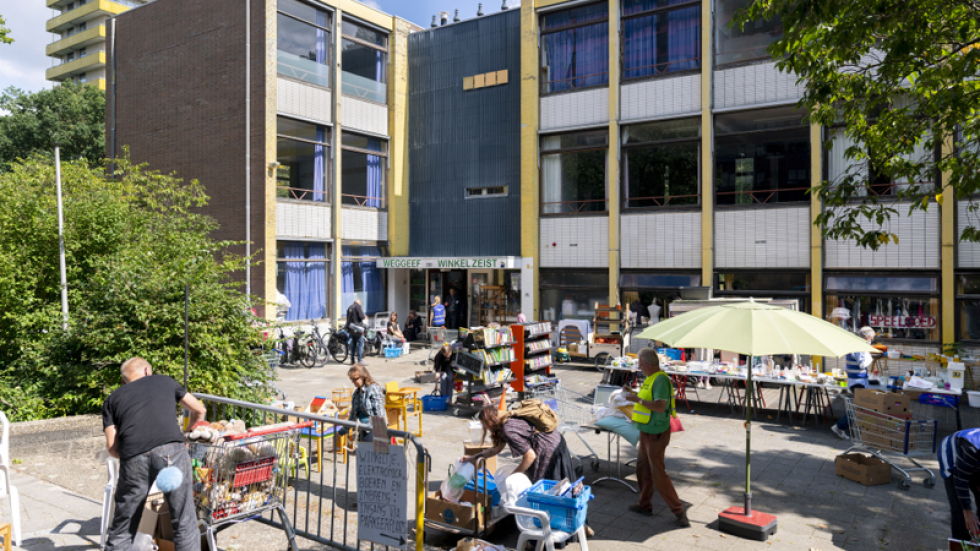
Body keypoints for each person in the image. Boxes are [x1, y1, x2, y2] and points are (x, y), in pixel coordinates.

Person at [102, 357, 207, 551]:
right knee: (183, 518)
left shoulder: (112, 400)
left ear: (124, 381)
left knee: (123, 524)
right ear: (148, 371)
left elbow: (113, 448)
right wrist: (187, 435)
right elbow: (199, 409)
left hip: (133, 458)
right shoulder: (164, 381)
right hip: (171, 454)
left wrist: (134, 456)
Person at [620, 348, 689, 527]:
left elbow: (659, 406)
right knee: (642, 470)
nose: (639, 367)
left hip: (656, 433)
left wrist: (637, 400)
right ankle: (644, 505)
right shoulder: (651, 378)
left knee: (658, 473)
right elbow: (645, 398)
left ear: (649, 365)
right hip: (646, 431)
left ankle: (679, 512)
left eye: (641, 364)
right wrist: (633, 393)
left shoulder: (660, 380)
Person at [831, 326, 877, 439]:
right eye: (872, 337)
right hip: (858, 382)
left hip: (855, 380)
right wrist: (871, 358)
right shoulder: (859, 347)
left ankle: (853, 428)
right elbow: (862, 364)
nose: (872, 340)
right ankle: (839, 427)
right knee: (860, 407)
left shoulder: (854, 345)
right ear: (868, 337)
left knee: (860, 406)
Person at [939, 428, 980, 540]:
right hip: (951, 456)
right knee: (959, 508)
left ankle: (977, 535)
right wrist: (968, 511)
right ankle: (961, 542)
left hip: (974, 461)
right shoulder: (972, 448)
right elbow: (960, 480)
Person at [342, 364, 388, 442]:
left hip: (373, 430)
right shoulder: (356, 393)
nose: (353, 382)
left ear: (363, 376)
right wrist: (343, 430)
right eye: (351, 379)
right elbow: (353, 415)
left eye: (355, 379)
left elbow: (379, 413)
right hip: (362, 430)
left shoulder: (373, 389)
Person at [346, 299, 366, 364]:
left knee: (354, 344)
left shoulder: (349, 307)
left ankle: (352, 360)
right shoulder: (358, 306)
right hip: (357, 328)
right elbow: (361, 316)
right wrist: (363, 316)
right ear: (359, 303)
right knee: (361, 343)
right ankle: (360, 360)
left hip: (351, 328)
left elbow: (348, 318)